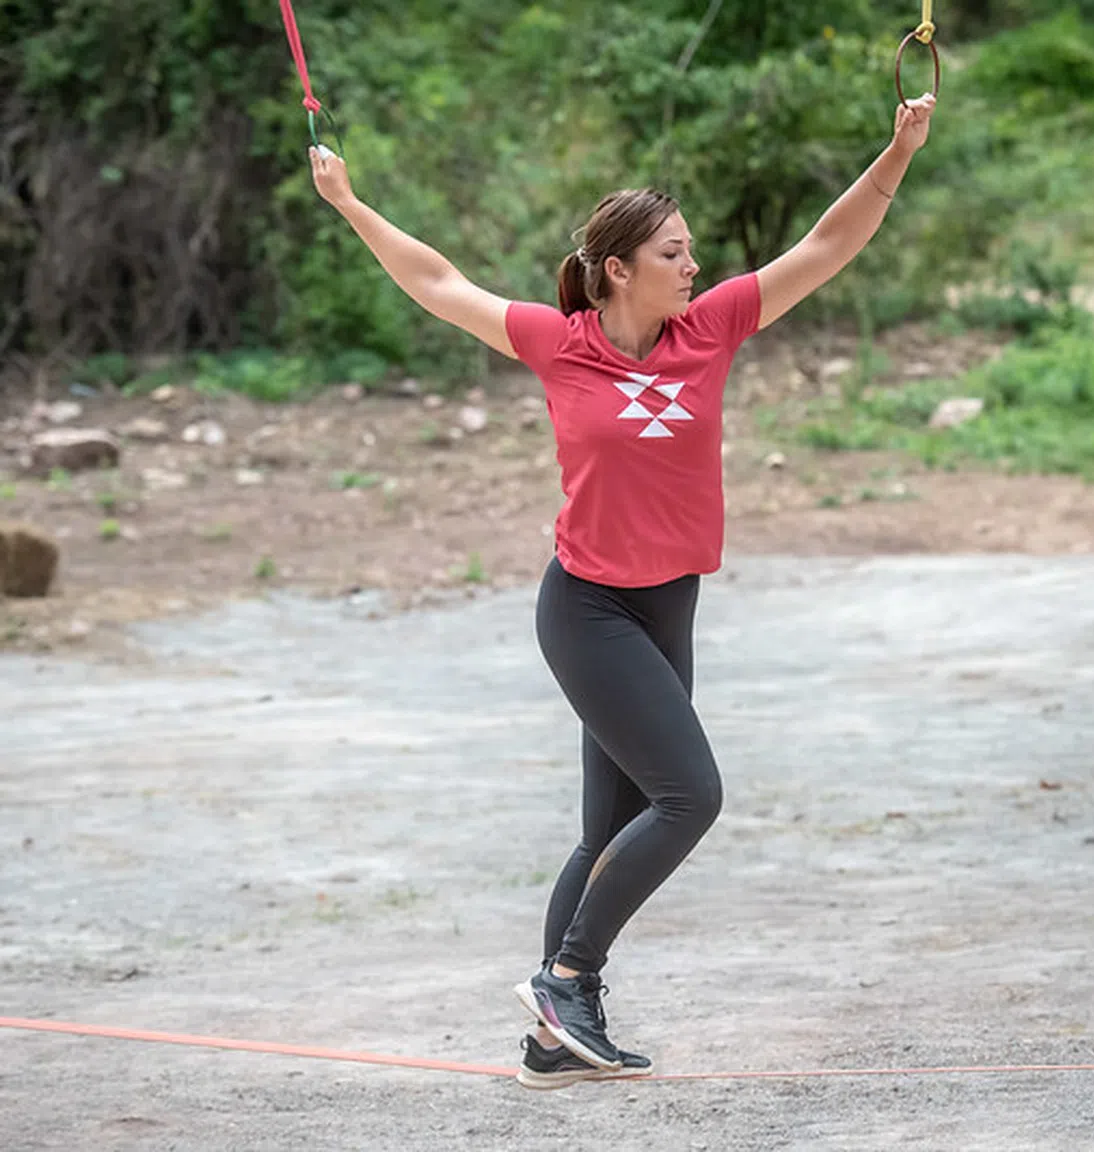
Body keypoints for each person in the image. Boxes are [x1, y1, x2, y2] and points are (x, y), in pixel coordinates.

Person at [310, 92, 937, 1083]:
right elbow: (435, 279)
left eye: (693, 251)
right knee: (690, 795)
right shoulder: (558, 343)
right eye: (676, 252)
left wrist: (898, 152)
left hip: (666, 603)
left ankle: (551, 1039)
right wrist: (348, 200)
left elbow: (826, 244)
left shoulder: (713, 327)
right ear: (619, 269)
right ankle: (569, 976)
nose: (698, 264)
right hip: (589, 608)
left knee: (608, 830)